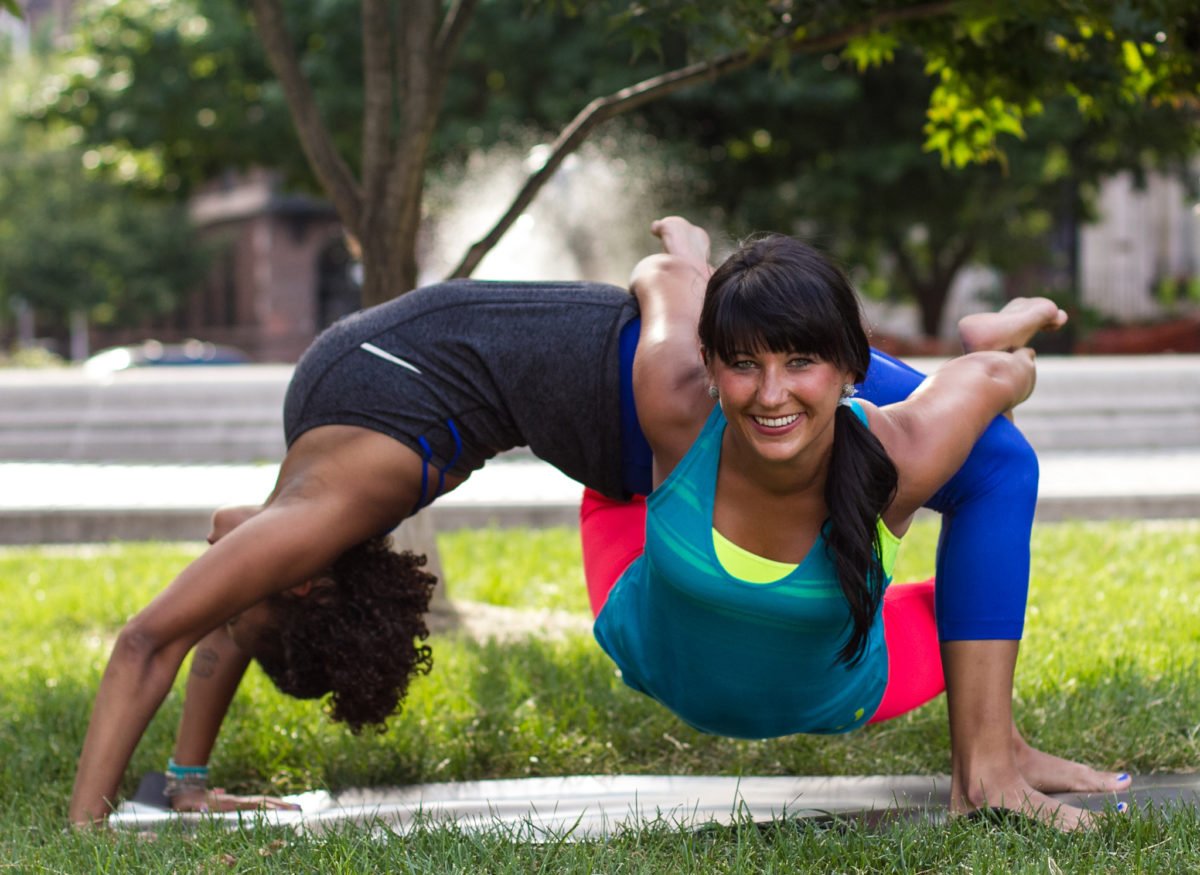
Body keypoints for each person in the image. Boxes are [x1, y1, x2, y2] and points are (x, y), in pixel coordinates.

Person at [67, 220, 1119, 828]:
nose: (241, 612)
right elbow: (221, 608)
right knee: (945, 435)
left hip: (638, 381)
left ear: (302, 578)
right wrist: (184, 783)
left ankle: (991, 751)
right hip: (510, 382)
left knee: (980, 452)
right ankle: (989, 734)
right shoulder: (305, 520)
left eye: (259, 590)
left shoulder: (339, 501)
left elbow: (150, 635)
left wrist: (88, 827)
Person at [581, 217, 1128, 829]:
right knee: (620, 476)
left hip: (844, 688)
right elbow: (662, 278)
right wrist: (689, 257)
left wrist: (1010, 356)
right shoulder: (676, 399)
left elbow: (996, 378)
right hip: (649, 639)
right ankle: (769, 336)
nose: (769, 395)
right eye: (743, 363)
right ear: (708, 362)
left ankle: (989, 769)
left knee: (989, 512)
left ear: (852, 366)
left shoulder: (900, 455)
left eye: (800, 362)